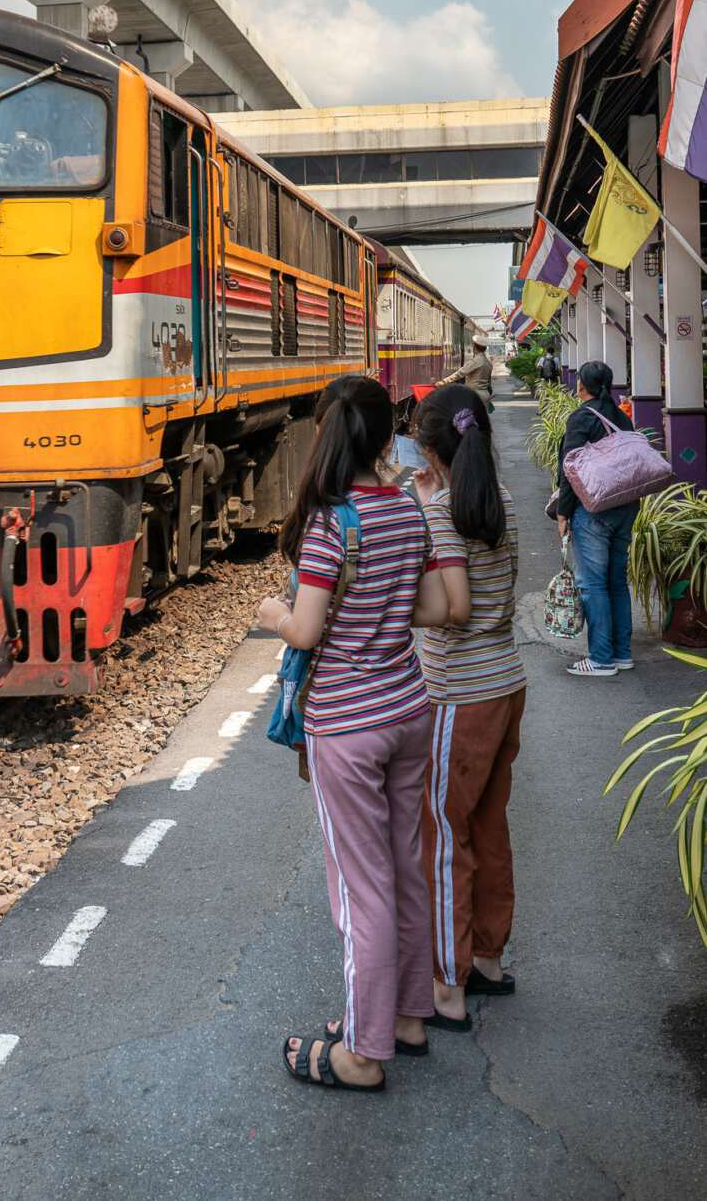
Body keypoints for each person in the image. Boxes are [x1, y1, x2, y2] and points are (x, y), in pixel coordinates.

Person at [258, 375, 448, 1093]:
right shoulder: (405, 507)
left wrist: (274, 614)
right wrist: (383, 603)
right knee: (403, 869)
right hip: (408, 709)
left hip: (348, 726)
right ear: (384, 435)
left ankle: (363, 1054)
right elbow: (432, 607)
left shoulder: (331, 523)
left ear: (327, 432)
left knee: (360, 890)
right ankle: (407, 1018)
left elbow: (305, 630)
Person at [411, 385, 525, 1032]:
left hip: (459, 693)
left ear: (429, 450)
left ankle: (446, 987)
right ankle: (487, 959)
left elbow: (452, 613)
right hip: (506, 683)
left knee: (441, 837)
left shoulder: (440, 512)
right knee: (487, 825)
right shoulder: (498, 499)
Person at [555, 359, 637, 678]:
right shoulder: (621, 417)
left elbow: (571, 469)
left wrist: (563, 513)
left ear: (581, 386)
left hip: (594, 510)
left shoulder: (582, 417)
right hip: (625, 506)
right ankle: (622, 653)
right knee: (616, 581)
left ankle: (602, 659)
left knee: (592, 584)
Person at [438, 337, 493, 405]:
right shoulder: (488, 363)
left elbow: (460, 373)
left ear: (475, 347)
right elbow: (489, 383)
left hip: (474, 395)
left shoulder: (476, 361)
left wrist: (443, 382)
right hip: (485, 394)